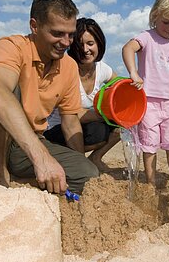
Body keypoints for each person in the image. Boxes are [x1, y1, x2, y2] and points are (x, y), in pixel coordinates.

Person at [0, 0, 99, 195]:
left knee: (88, 176)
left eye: (70, 34)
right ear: (34, 26)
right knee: (4, 89)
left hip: (24, 143)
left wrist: (76, 162)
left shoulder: (69, 66)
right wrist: (41, 157)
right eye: (57, 33)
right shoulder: (11, 46)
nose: (66, 43)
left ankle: (24, 176)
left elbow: (70, 120)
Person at [122, 0, 169, 192]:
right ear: (155, 16)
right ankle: (151, 182)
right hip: (148, 101)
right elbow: (127, 48)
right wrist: (134, 73)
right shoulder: (146, 37)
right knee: (149, 145)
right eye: (166, 22)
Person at [44, 17, 120, 170]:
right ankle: (74, 160)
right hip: (56, 130)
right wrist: (104, 114)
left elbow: (121, 90)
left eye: (90, 44)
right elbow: (71, 114)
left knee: (121, 124)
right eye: (80, 45)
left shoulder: (102, 69)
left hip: (83, 127)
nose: (85, 50)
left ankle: (95, 158)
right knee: (98, 131)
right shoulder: (66, 69)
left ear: (99, 43)